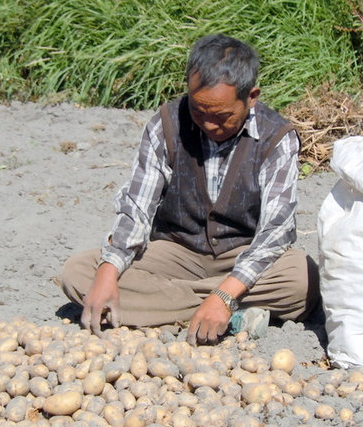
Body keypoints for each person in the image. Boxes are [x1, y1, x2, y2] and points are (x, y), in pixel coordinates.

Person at [60, 34, 320, 345]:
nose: (209, 125)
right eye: (199, 112)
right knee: (79, 273)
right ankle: (226, 311)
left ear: (251, 97)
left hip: (242, 254)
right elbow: (137, 208)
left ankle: (187, 306)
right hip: (175, 252)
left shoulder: (276, 137)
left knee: (303, 279)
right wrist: (108, 269)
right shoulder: (166, 125)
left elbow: (275, 231)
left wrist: (226, 291)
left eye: (222, 116)